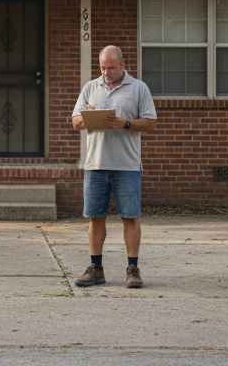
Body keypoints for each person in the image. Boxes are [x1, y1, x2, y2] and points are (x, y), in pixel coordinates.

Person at [71, 44, 157, 288]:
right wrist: (87, 118)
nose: (106, 72)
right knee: (95, 217)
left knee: (129, 217)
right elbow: (75, 121)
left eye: (110, 67)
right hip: (95, 164)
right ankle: (96, 269)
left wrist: (125, 124)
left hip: (127, 165)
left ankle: (132, 269)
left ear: (122, 65)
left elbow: (150, 123)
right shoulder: (90, 87)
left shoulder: (139, 88)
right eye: (102, 67)